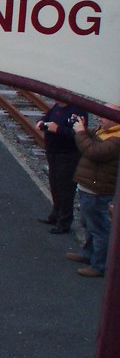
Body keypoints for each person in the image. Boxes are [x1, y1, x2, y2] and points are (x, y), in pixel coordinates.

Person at [66, 105, 120, 278]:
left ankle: (99, 265)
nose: (99, 116)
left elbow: (93, 151)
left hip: (98, 188)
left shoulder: (116, 138)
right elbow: (94, 140)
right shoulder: (106, 131)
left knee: (98, 227)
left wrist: (81, 132)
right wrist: (82, 129)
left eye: (103, 114)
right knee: (88, 223)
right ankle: (88, 255)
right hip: (90, 185)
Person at [35, 99, 87, 234]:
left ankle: (64, 222)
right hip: (53, 153)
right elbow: (47, 117)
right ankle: (55, 214)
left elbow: (77, 134)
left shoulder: (77, 111)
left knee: (65, 188)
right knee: (54, 184)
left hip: (67, 155)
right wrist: (42, 123)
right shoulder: (57, 106)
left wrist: (58, 129)